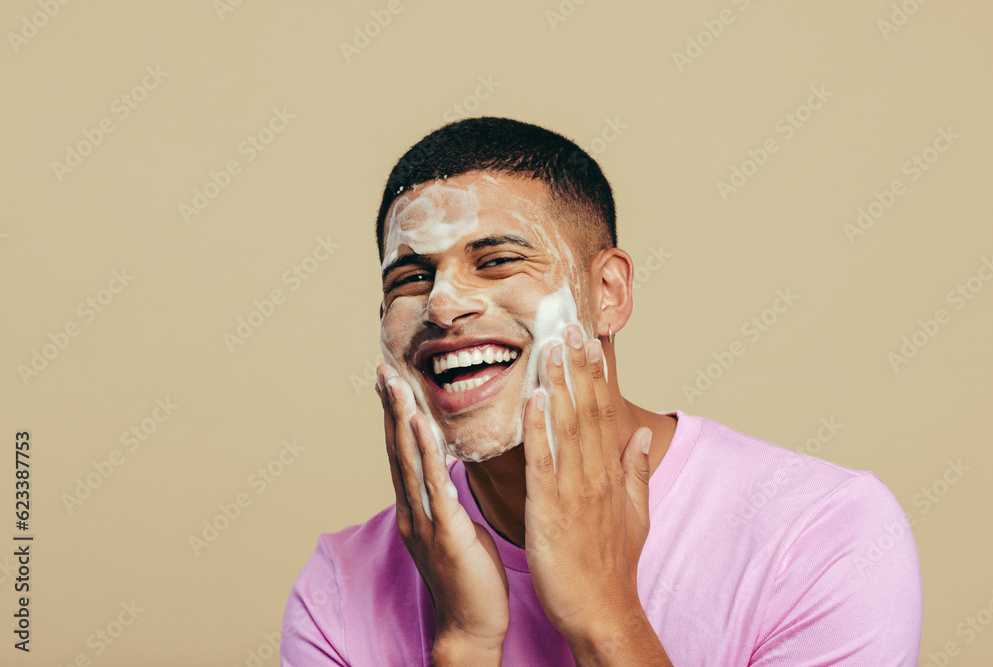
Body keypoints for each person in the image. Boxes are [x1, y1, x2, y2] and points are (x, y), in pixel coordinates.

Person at [281, 117, 923, 666]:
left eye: (497, 259)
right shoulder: (340, 588)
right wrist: (466, 644)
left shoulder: (824, 534)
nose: (443, 305)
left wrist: (605, 618)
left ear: (608, 294)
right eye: (412, 278)